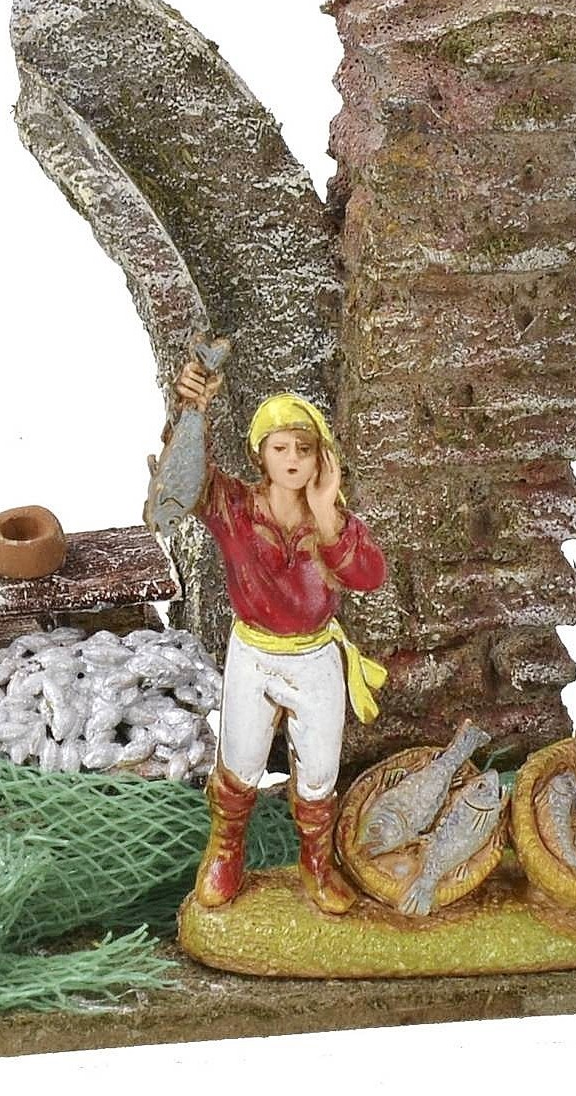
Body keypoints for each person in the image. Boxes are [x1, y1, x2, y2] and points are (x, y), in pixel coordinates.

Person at [173, 360, 387, 914]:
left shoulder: (333, 521)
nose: (293, 459)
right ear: (260, 455)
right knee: (240, 760)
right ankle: (225, 852)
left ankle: (317, 863)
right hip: (255, 652)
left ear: (322, 457)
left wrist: (326, 513)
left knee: (318, 771)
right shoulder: (234, 508)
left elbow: (369, 576)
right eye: (280, 448)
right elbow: (184, 478)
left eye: (304, 448)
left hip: (315, 657)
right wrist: (192, 409)